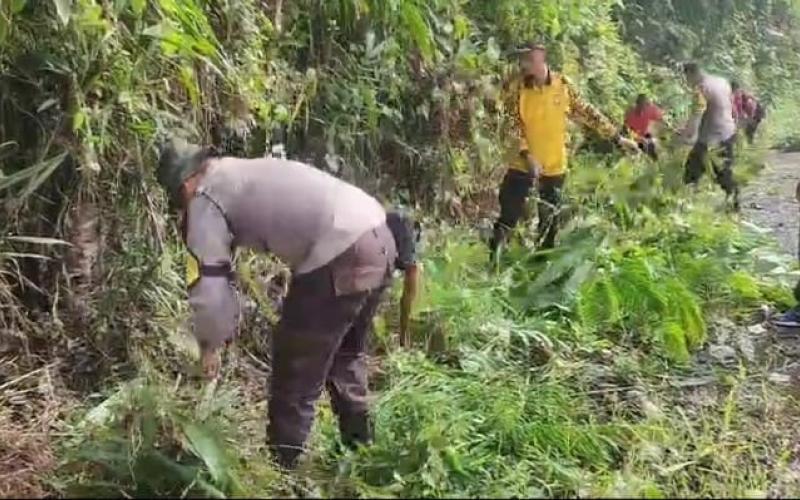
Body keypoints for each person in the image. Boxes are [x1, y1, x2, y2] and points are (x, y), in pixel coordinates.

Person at [155, 138, 420, 469]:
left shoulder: (204, 200)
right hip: (378, 233)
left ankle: (283, 470)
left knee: (296, 368)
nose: (182, 208)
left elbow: (210, 284)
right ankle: (363, 453)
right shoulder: (233, 171)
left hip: (339, 248)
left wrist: (210, 343)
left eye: (177, 200)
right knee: (345, 354)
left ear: (184, 184)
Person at [490, 44, 639, 255]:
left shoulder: (563, 85)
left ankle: (541, 268)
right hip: (521, 164)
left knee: (549, 222)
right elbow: (511, 125)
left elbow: (589, 114)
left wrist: (617, 138)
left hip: (554, 165)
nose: (523, 65)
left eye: (527, 59)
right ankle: (494, 263)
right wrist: (527, 155)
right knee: (508, 215)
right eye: (521, 60)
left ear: (540, 58)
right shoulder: (516, 88)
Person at [679, 62, 739, 211]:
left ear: (691, 74)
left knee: (691, 174)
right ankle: (734, 206)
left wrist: (685, 135)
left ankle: (686, 207)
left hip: (710, 138)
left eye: (687, 78)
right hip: (728, 132)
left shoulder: (701, 89)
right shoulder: (722, 82)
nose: (687, 82)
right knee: (724, 171)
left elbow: (696, 116)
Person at [624, 93, 665, 160]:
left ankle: (654, 159)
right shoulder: (630, 113)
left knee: (652, 144)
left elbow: (658, 122)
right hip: (634, 138)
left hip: (646, 138)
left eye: (644, 105)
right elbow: (627, 128)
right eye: (641, 104)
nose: (642, 107)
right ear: (637, 104)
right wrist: (637, 138)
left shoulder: (650, 111)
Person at [731, 81, 765, 145]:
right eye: (735, 91)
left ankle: (749, 143)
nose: (737, 93)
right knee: (744, 131)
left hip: (755, 114)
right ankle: (748, 143)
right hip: (749, 114)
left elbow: (752, 104)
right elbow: (737, 108)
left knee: (749, 131)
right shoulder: (734, 96)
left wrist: (749, 116)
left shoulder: (744, 95)